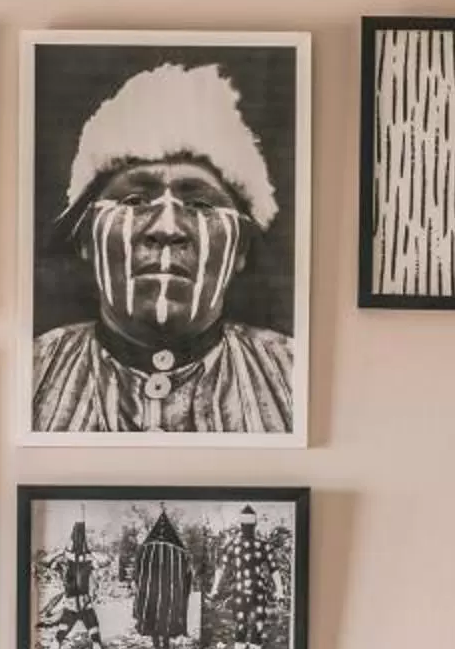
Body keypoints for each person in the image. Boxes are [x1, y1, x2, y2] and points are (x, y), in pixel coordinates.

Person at [31, 63, 296, 436]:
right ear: (85, 240)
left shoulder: (293, 374)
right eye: (135, 200)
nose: (167, 227)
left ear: (241, 249)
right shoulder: (32, 372)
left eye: (202, 205)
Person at [215, 503, 287, 649]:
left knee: (258, 628)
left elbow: (274, 569)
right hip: (239, 592)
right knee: (240, 627)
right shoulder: (233, 545)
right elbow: (221, 568)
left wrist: (280, 590)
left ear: (253, 524)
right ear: (241, 524)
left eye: (249, 524)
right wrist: (215, 588)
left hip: (258, 592)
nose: (247, 527)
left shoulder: (263, 545)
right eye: (245, 524)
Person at [130, 510, 197, 649]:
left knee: (152, 621)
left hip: (151, 595)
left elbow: (137, 575)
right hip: (169, 596)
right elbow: (187, 576)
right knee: (165, 622)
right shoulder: (179, 553)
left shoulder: (144, 551)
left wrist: (141, 589)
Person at [42, 521, 105, 649]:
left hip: (85, 606)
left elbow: (106, 561)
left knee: (95, 637)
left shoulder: (87, 563)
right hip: (71, 607)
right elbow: (44, 562)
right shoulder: (64, 563)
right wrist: (60, 552)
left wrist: (91, 554)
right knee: (59, 636)